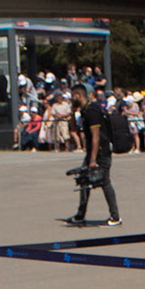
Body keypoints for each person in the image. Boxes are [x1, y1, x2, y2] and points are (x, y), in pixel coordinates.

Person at [63, 81, 120, 226]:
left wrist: (93, 159)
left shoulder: (92, 110)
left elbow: (96, 136)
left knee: (104, 182)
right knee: (84, 180)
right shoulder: (84, 110)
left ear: (78, 95)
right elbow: (74, 128)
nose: (70, 99)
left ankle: (115, 216)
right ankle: (80, 215)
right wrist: (72, 112)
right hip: (92, 152)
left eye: (72, 96)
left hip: (101, 152)